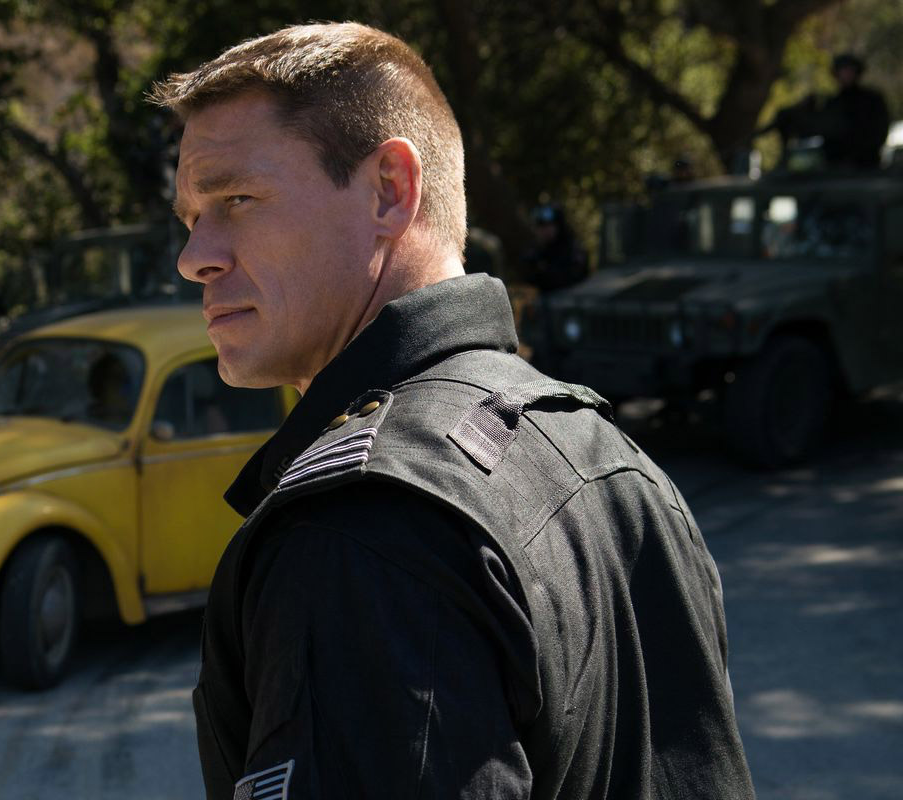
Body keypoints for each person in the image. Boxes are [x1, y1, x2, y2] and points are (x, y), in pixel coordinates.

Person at [154, 22, 754, 799]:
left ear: (389, 190)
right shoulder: (613, 458)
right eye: (190, 219)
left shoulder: (365, 533)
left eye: (236, 199)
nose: (194, 258)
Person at [821, 52, 890, 169]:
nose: (846, 74)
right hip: (838, 165)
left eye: (850, 70)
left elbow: (880, 129)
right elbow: (827, 133)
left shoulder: (872, 100)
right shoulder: (832, 104)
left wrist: (867, 151)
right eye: (843, 70)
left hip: (868, 164)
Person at [521, 203, 589, 293]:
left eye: (549, 225)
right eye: (541, 226)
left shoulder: (573, 250)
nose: (545, 230)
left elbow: (573, 277)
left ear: (558, 226)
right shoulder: (534, 252)